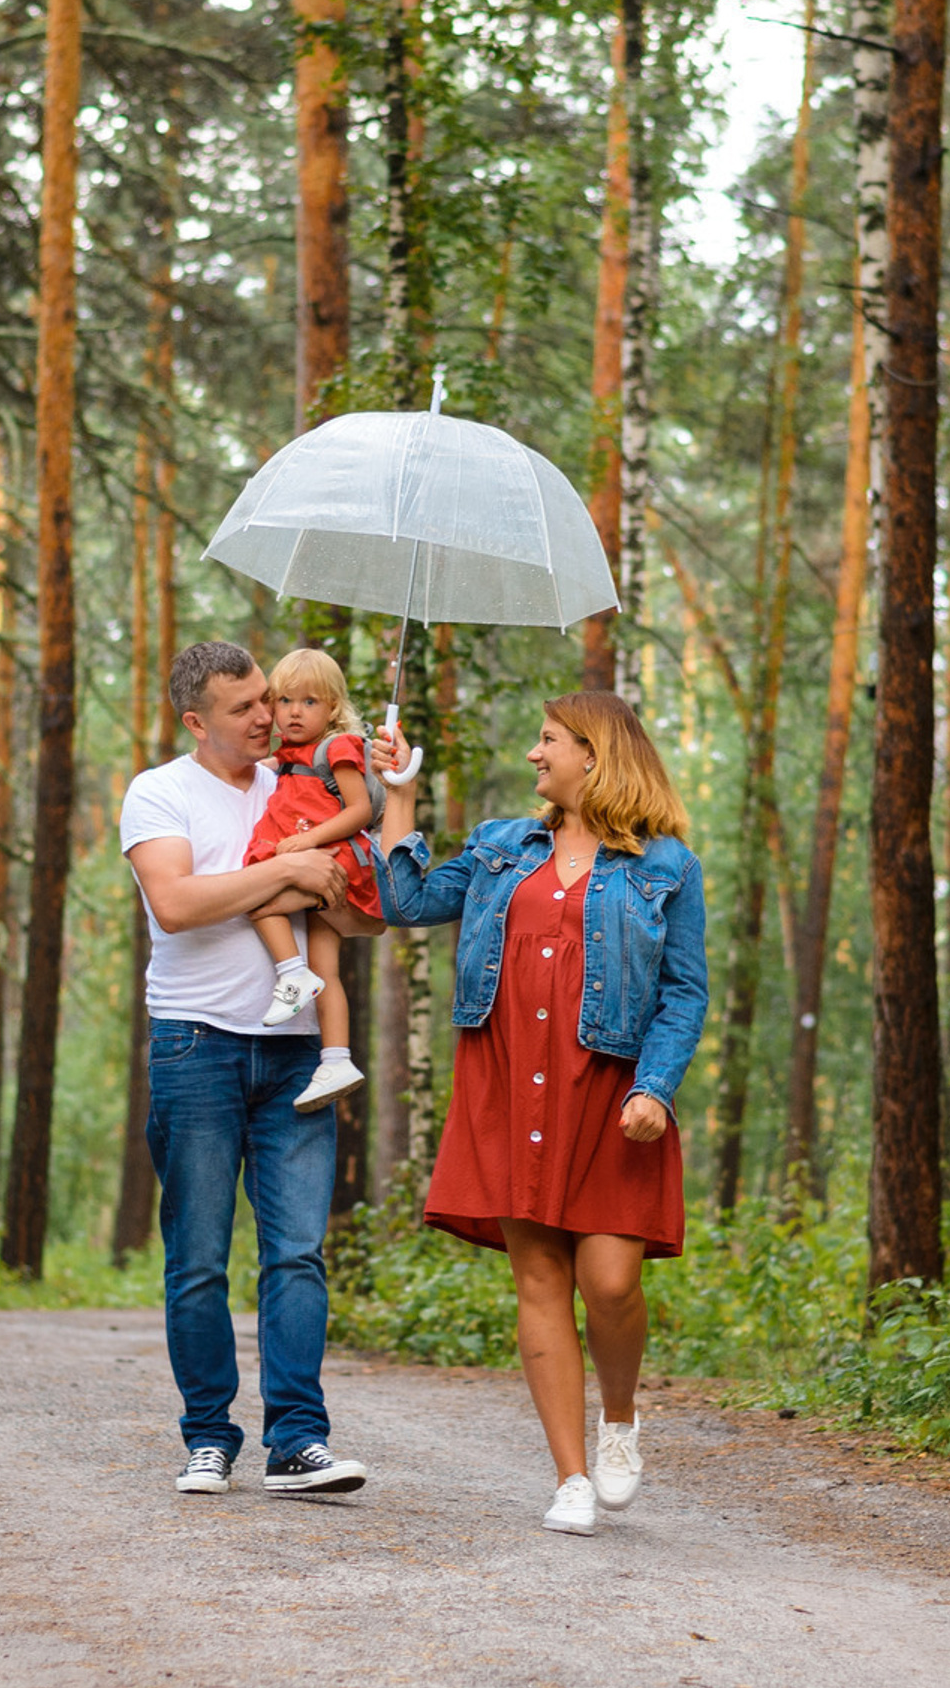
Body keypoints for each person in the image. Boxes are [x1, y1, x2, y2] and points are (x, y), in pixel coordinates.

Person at [375, 691, 706, 1536]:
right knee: (540, 1277)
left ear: (594, 756)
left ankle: (620, 1419)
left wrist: (655, 1089)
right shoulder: (500, 847)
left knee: (611, 1280)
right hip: (509, 1077)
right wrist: (402, 796)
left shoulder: (667, 866)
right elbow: (408, 903)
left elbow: (684, 992)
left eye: (548, 740)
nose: (534, 754)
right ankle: (569, 1478)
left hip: (612, 1090)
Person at [120, 639, 377, 1498]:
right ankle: (208, 1435)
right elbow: (178, 903)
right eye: (245, 708)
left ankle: (299, 1440)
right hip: (197, 1044)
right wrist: (287, 868)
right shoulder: (159, 792)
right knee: (197, 1256)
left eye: (269, 698)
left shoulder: (307, 782)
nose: (269, 716)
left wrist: (389, 798)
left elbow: (367, 915)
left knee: (298, 1253)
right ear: (197, 721)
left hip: (301, 1050)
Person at [243, 646, 380, 1115]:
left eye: (309, 702)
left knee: (258, 899)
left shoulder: (337, 748)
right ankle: (337, 1058)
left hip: (330, 858)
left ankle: (289, 972)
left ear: (334, 709)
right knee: (329, 971)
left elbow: (360, 810)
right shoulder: (286, 755)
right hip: (315, 857)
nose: (294, 712)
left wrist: (308, 842)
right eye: (284, 701)